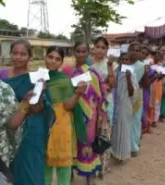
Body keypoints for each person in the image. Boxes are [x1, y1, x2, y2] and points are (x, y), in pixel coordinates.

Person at [2, 43, 54, 185]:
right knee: (11, 171)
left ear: (30, 57)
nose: (18, 57)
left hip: (32, 129)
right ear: (10, 53)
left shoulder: (37, 77)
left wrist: (41, 91)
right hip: (9, 129)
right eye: (15, 53)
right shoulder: (1, 76)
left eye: (23, 54)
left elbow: (39, 109)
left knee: (32, 169)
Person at [43, 46, 87, 185]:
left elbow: (68, 105)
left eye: (57, 59)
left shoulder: (64, 80)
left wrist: (78, 93)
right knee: (44, 164)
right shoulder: (38, 77)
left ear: (61, 62)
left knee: (63, 165)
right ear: (45, 57)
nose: (53, 61)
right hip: (42, 122)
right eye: (50, 57)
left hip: (61, 124)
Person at [71, 42, 106, 185]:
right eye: (78, 51)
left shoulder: (93, 73)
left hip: (90, 117)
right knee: (73, 143)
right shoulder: (71, 72)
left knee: (88, 143)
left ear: (88, 53)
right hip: (73, 112)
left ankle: (90, 176)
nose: (80, 54)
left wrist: (100, 118)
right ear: (74, 52)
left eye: (83, 51)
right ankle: (70, 173)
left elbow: (100, 96)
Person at [86, 36, 116, 177]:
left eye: (103, 47)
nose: (100, 50)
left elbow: (112, 84)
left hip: (105, 102)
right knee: (92, 133)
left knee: (104, 132)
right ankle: (93, 163)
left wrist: (110, 66)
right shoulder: (88, 64)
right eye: (97, 46)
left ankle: (103, 166)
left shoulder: (111, 65)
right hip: (91, 103)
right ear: (93, 47)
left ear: (106, 50)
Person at [111, 53, 139, 162]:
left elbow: (132, 93)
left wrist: (128, 78)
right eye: (122, 59)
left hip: (126, 103)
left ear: (130, 61)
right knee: (116, 127)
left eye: (126, 59)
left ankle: (122, 154)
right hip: (115, 103)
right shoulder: (116, 71)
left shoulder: (132, 73)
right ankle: (114, 151)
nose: (124, 61)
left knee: (124, 127)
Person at [127, 42, 146, 157]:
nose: (135, 52)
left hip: (136, 95)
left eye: (138, 50)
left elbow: (141, 83)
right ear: (129, 50)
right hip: (123, 95)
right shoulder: (123, 62)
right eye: (133, 49)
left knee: (135, 121)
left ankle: (134, 146)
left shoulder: (141, 66)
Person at [148, 53, 164, 127]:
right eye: (156, 57)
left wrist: (160, 76)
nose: (157, 59)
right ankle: (149, 120)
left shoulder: (161, 67)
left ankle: (154, 120)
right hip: (151, 86)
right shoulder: (150, 66)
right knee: (150, 103)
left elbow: (161, 78)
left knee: (157, 103)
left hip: (158, 86)